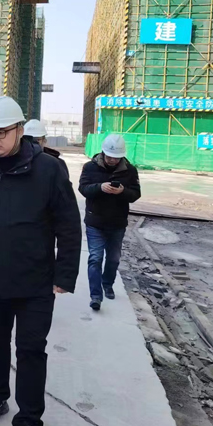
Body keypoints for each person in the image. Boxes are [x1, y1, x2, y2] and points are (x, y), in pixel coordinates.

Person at [0, 96, 81, 426]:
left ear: (20, 130)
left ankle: (30, 416)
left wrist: (65, 273)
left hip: (36, 281)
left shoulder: (48, 170)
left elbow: (68, 224)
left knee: (31, 349)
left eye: (1, 132)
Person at [78, 133, 141, 312]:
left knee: (113, 259)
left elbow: (136, 194)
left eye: (116, 157)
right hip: (95, 221)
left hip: (117, 223)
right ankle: (95, 296)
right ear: (103, 152)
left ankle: (107, 284)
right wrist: (100, 187)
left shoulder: (130, 171)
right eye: (109, 156)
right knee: (95, 258)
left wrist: (122, 192)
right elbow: (83, 188)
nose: (112, 160)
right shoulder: (90, 167)